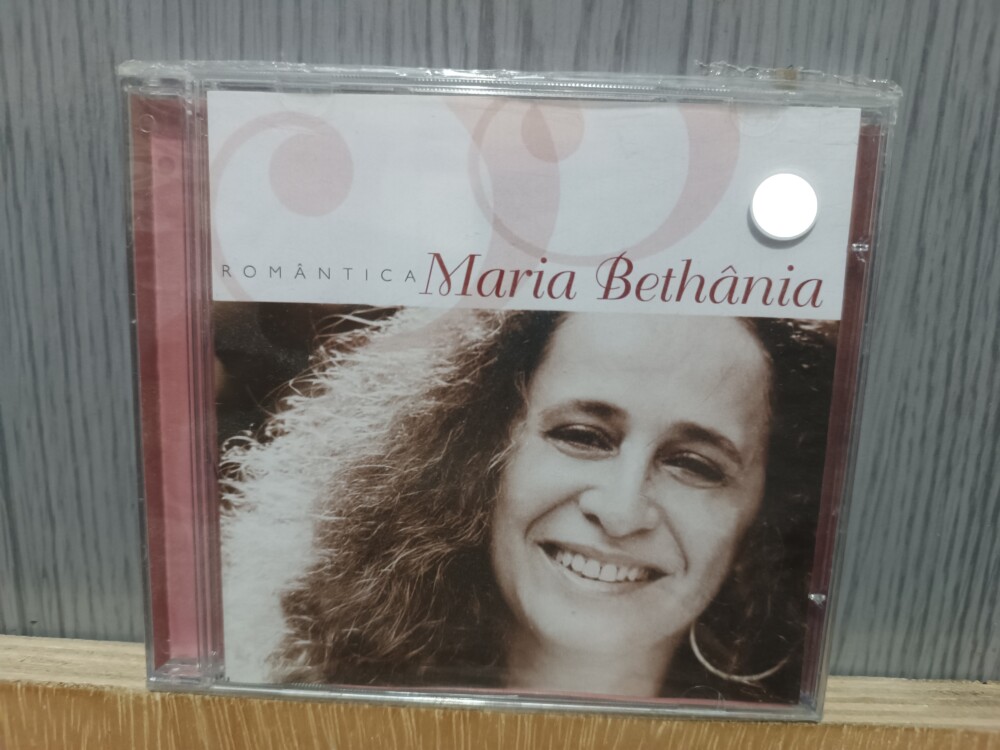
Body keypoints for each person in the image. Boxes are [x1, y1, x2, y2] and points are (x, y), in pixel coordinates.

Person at [219, 307, 837, 702]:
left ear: (766, 514)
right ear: (480, 451)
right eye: (582, 436)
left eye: (695, 465)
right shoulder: (286, 707)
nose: (622, 511)